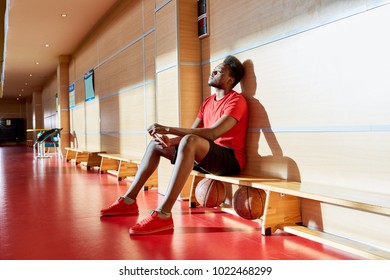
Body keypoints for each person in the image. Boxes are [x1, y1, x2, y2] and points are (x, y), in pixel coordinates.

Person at [100, 55, 248, 235]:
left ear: (230, 80)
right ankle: (128, 201)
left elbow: (212, 133)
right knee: (157, 145)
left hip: (229, 160)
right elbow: (192, 132)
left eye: (220, 71)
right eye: (214, 69)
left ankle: (163, 214)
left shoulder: (236, 101)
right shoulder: (207, 102)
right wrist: (170, 141)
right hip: (206, 155)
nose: (213, 72)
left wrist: (168, 128)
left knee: (190, 141)